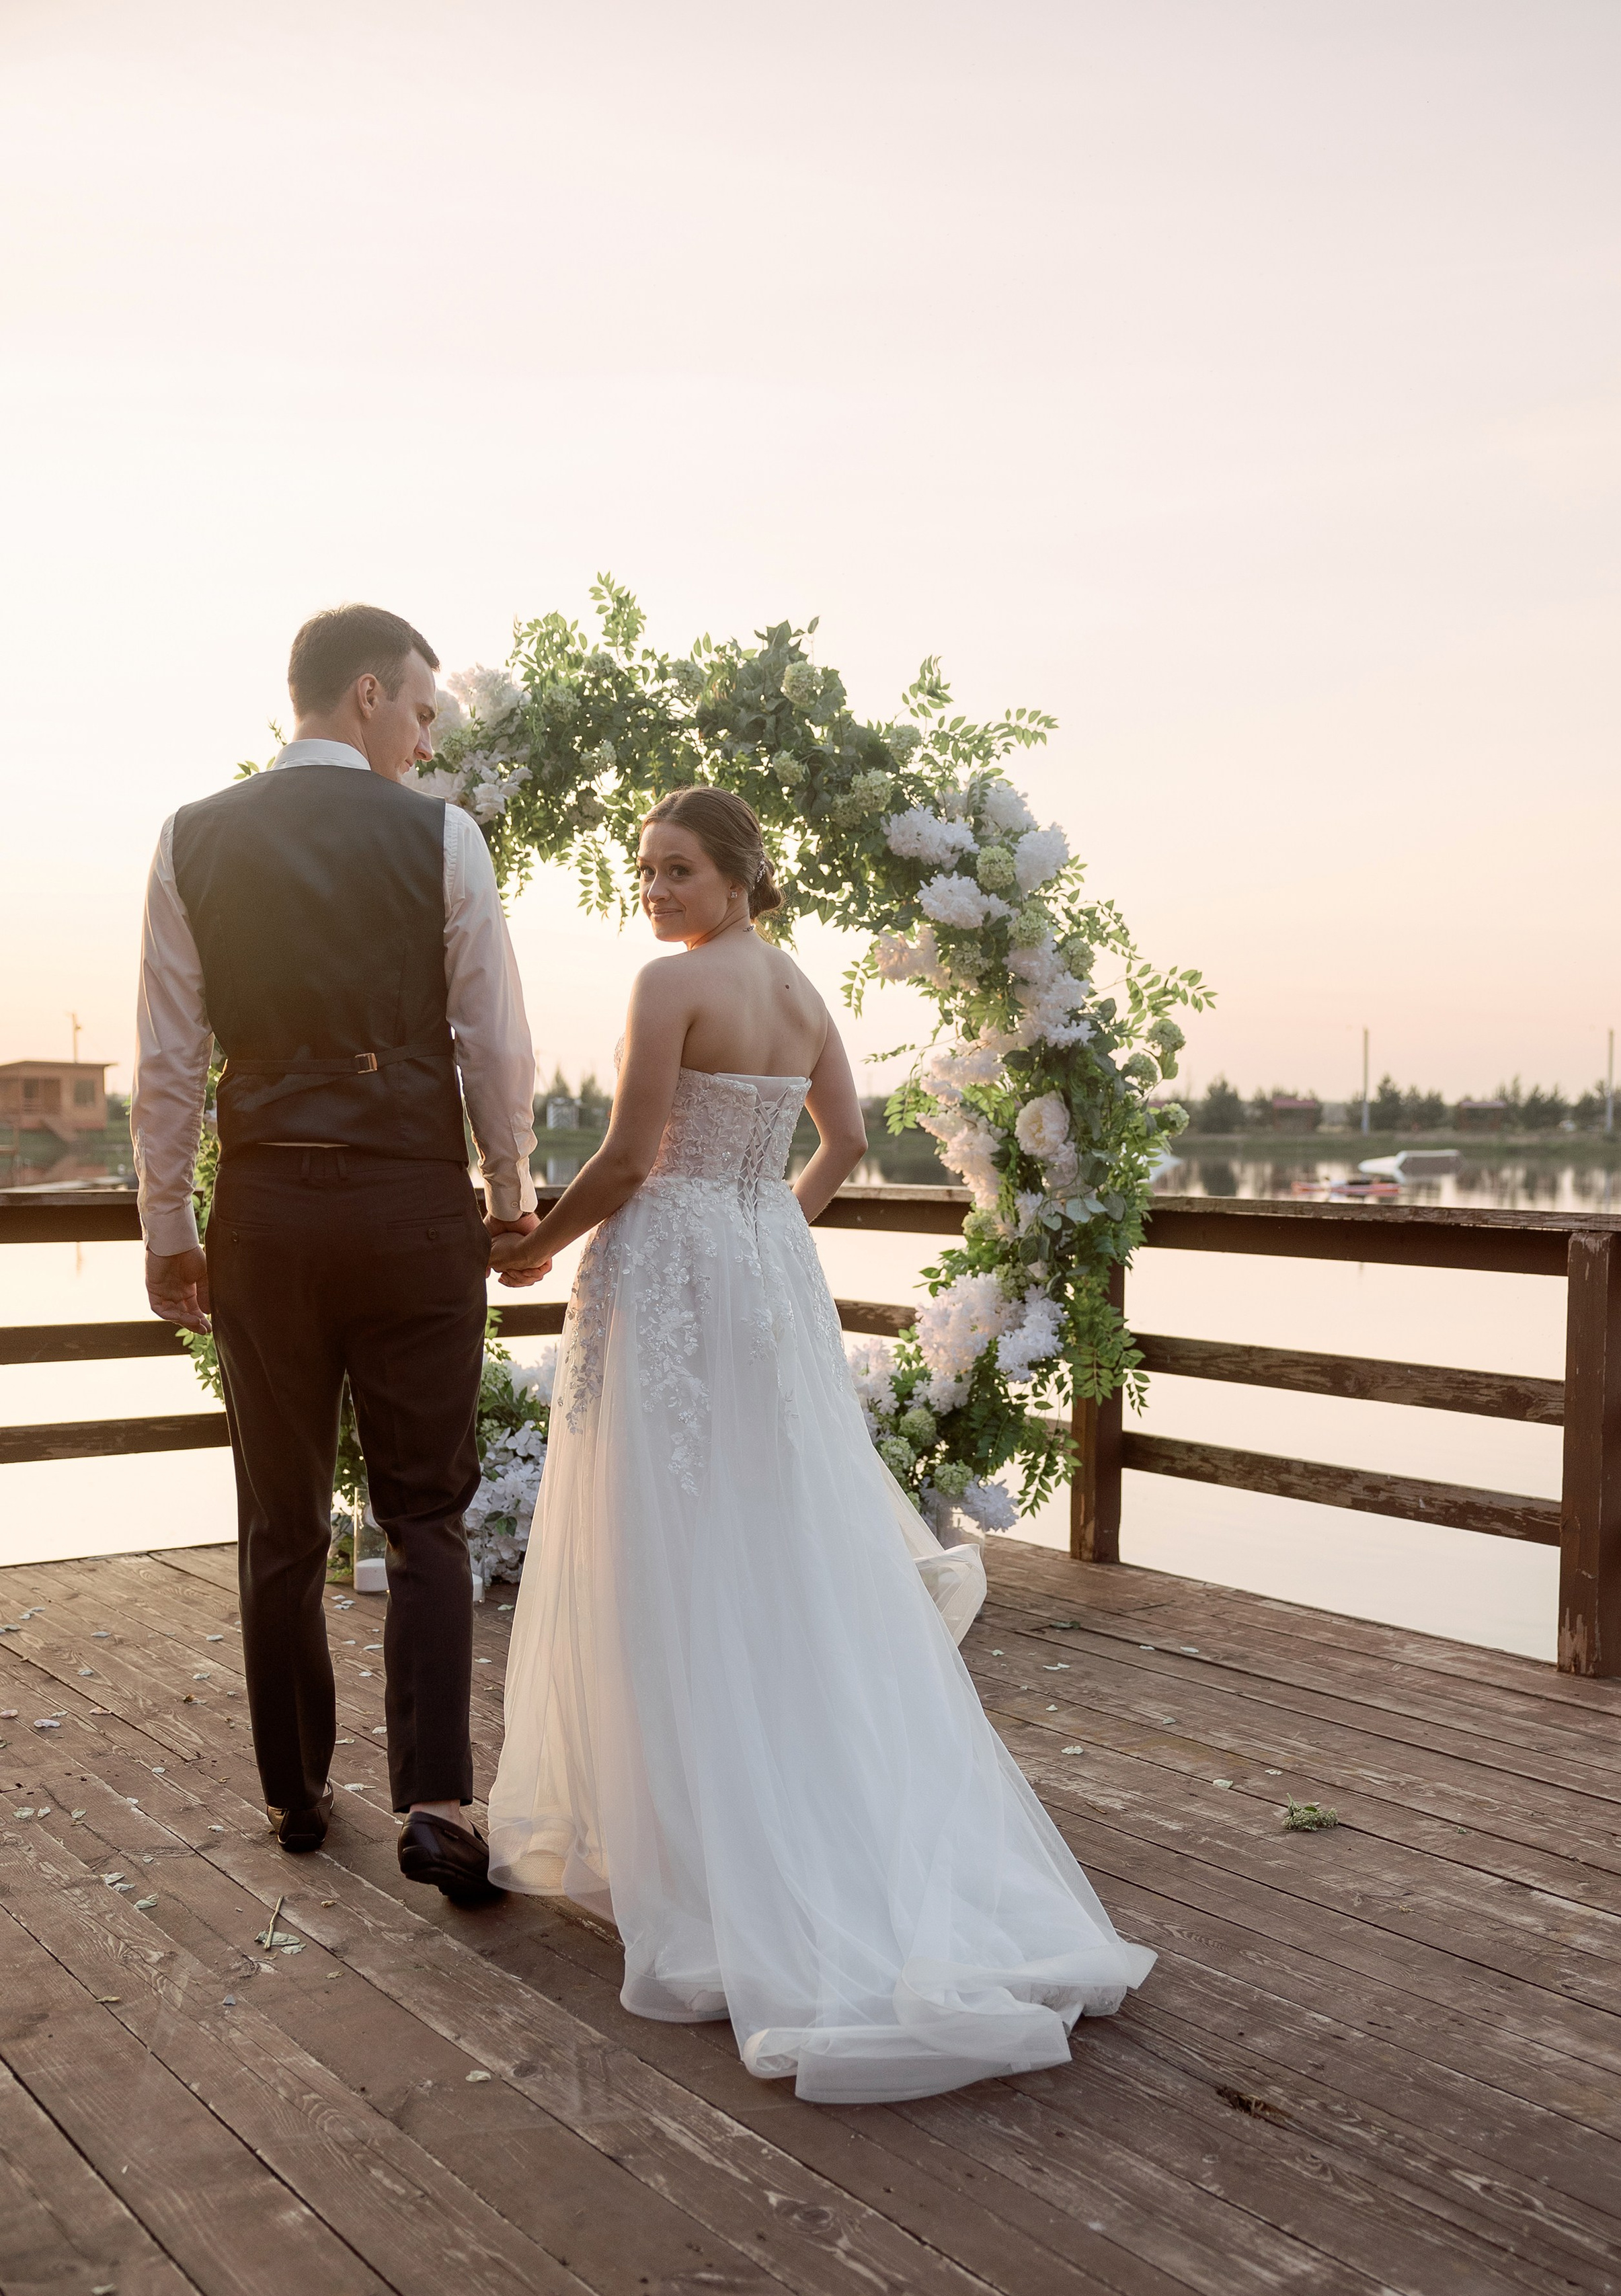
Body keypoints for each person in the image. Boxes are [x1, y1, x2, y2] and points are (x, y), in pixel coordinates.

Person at [485, 786, 1154, 2102]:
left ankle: (692, 1844)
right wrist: (760, 1226)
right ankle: (755, 1806)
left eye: (676, 870)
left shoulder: (664, 989)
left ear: (735, 874)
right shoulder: (797, 991)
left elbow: (625, 1158)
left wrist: (535, 1246)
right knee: (763, 1522)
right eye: (644, 872)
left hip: (672, 1263)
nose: (655, 893)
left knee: (666, 1525)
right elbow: (843, 1140)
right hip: (757, 1265)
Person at [132, 603, 538, 1905]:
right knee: (424, 1512)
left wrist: (167, 1230)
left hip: (267, 1214)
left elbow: (166, 1064)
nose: (423, 738)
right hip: (415, 1209)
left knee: (282, 1518)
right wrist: (512, 1188)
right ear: (365, 695)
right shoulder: (439, 836)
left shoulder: (191, 838)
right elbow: (494, 1039)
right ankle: (435, 1802)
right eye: (420, 710)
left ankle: (296, 1792)